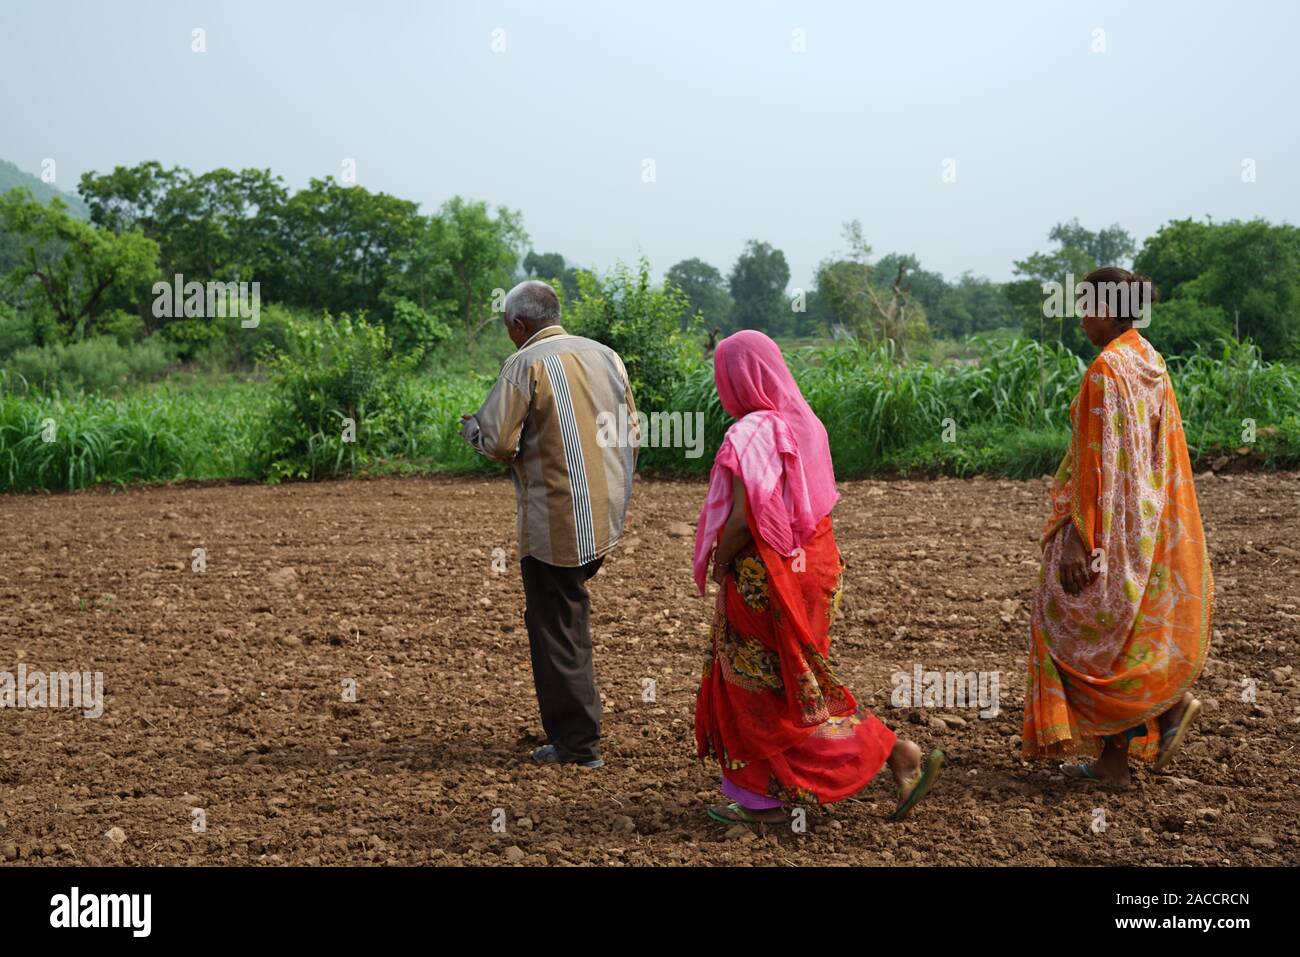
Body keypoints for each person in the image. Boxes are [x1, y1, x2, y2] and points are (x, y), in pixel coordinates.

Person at [692, 330, 943, 826]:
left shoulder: (750, 432)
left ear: (735, 379)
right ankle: (888, 754)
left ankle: (775, 795)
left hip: (765, 575)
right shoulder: (806, 423)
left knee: (760, 688)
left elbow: (745, 518)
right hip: (815, 569)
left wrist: (720, 564)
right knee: (796, 680)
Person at [1022, 268, 1212, 786]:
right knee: (1117, 634)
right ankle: (1143, 733)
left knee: (1068, 632)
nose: (1082, 320)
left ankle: (1153, 723)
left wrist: (1080, 539)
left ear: (1106, 311)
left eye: (1085, 308)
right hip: (1144, 524)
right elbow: (1158, 453)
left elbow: (1097, 459)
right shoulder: (1150, 360)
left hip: (1104, 526)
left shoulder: (1107, 369)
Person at [460, 280, 637, 769]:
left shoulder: (525, 364)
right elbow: (631, 431)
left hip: (555, 523)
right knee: (567, 617)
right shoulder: (607, 356)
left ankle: (578, 745)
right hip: (603, 519)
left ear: (519, 326)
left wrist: (471, 429)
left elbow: (496, 441)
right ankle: (577, 730)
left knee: (557, 627)